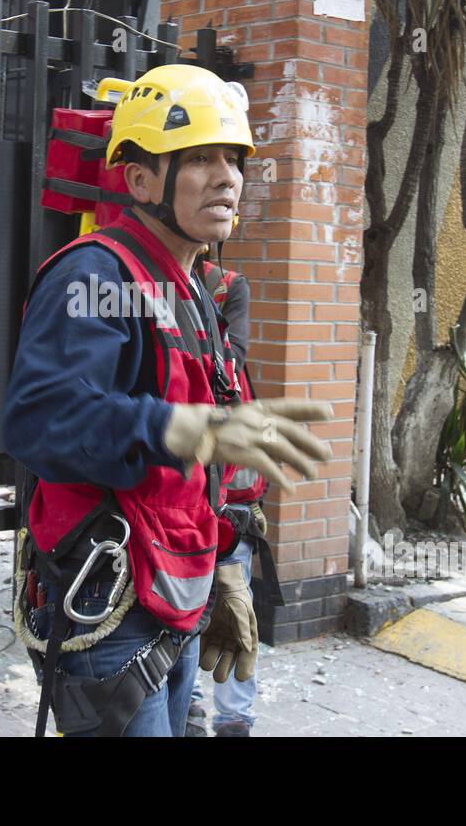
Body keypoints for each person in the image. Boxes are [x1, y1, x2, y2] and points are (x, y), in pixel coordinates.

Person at [3, 64, 330, 737]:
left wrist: (224, 569)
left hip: (176, 601)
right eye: (201, 158)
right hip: (111, 608)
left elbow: (202, 461)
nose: (227, 178)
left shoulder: (189, 288)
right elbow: (39, 419)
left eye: (233, 160)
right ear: (142, 179)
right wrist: (182, 427)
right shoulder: (97, 273)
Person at [187, 253, 274, 737]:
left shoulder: (225, 286)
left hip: (224, 491)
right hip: (181, 487)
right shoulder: (139, 278)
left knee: (233, 606)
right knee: (187, 608)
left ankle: (232, 719)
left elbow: (230, 357)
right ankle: (195, 710)